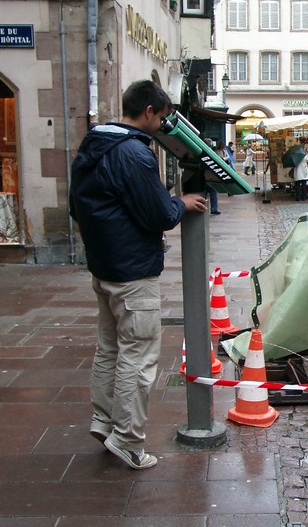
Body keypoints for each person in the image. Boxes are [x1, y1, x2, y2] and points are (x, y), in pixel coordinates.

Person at [69, 80, 208, 469]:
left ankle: (103, 420)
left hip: (104, 266)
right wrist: (179, 202)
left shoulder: (94, 143)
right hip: (132, 271)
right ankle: (128, 440)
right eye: (162, 118)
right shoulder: (134, 153)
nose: (162, 126)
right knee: (139, 354)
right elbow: (159, 215)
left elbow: (75, 208)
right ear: (149, 111)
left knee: (109, 348)